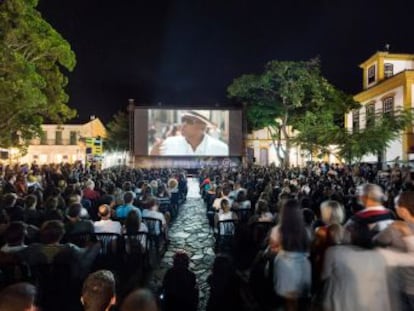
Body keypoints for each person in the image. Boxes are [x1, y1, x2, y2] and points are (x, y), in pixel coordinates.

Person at [269, 199, 311, 310]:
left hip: (285, 266)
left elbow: (272, 249)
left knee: (289, 303)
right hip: (303, 266)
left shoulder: (277, 230)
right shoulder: (306, 231)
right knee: (300, 303)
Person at [150, 110, 228, 156]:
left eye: (189, 121)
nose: (183, 124)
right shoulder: (168, 144)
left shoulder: (221, 149)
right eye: (183, 120)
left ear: (202, 127)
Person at [345, 183, 395, 248]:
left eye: (359, 194)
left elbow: (346, 239)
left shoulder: (358, 219)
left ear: (364, 197)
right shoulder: (390, 214)